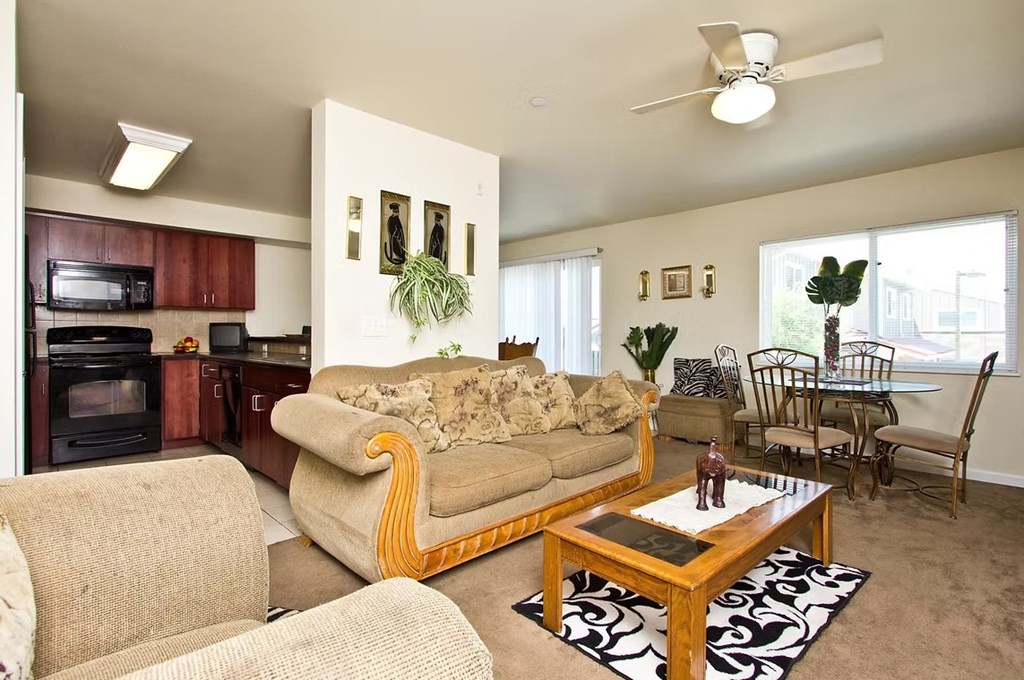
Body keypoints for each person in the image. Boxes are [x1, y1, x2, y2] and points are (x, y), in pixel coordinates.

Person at [384, 202, 406, 266]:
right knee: (394, 247)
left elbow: (399, 229)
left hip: (397, 238)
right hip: (393, 237)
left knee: (398, 248)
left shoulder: (396, 219)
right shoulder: (391, 218)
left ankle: (401, 258)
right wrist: (392, 234)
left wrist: (395, 234)